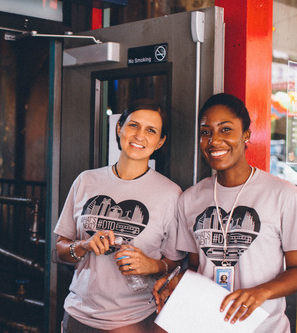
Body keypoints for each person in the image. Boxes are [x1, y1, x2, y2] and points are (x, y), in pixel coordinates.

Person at [153, 93, 297, 333]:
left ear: (246, 135)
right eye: (206, 132)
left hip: (264, 328)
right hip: (208, 324)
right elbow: (197, 267)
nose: (214, 140)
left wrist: (262, 292)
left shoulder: (283, 194)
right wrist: (177, 282)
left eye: (225, 130)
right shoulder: (190, 198)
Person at [54, 99, 184, 332]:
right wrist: (84, 245)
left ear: (160, 141)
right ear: (119, 128)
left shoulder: (171, 194)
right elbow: (59, 251)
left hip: (131, 320)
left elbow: (175, 264)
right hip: (77, 314)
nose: (139, 135)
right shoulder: (86, 180)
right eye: (133, 125)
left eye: (151, 130)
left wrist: (151, 265)